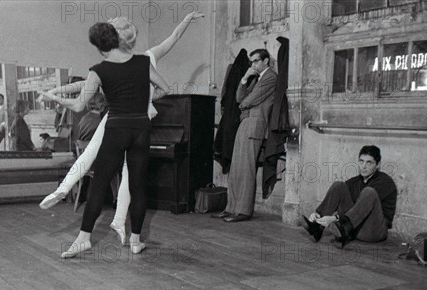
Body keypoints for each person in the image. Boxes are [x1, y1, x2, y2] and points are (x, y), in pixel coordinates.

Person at [39, 12, 204, 244]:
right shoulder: (145, 59)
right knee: (131, 177)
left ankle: (87, 206)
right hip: (138, 121)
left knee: (98, 161)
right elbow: (173, 39)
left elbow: (84, 90)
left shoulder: (115, 63)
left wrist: (58, 94)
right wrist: (186, 19)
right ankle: (127, 230)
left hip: (119, 119)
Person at [212, 49, 277, 222]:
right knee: (236, 169)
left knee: (247, 169)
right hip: (245, 123)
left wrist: (244, 105)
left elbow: (248, 101)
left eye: (256, 61)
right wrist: (244, 78)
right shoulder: (256, 78)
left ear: (266, 61)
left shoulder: (270, 77)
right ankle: (231, 208)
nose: (253, 65)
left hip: (255, 125)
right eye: (251, 62)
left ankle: (243, 211)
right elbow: (239, 97)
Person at [303, 145, 398, 248]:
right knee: (338, 185)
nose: (363, 166)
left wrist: (336, 218)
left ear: (377, 165)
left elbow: (362, 209)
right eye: (361, 161)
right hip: (355, 229)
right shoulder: (355, 181)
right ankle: (317, 226)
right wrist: (318, 215)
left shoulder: (385, 182)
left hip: (374, 231)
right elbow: (341, 199)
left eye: (369, 162)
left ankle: (344, 229)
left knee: (369, 192)